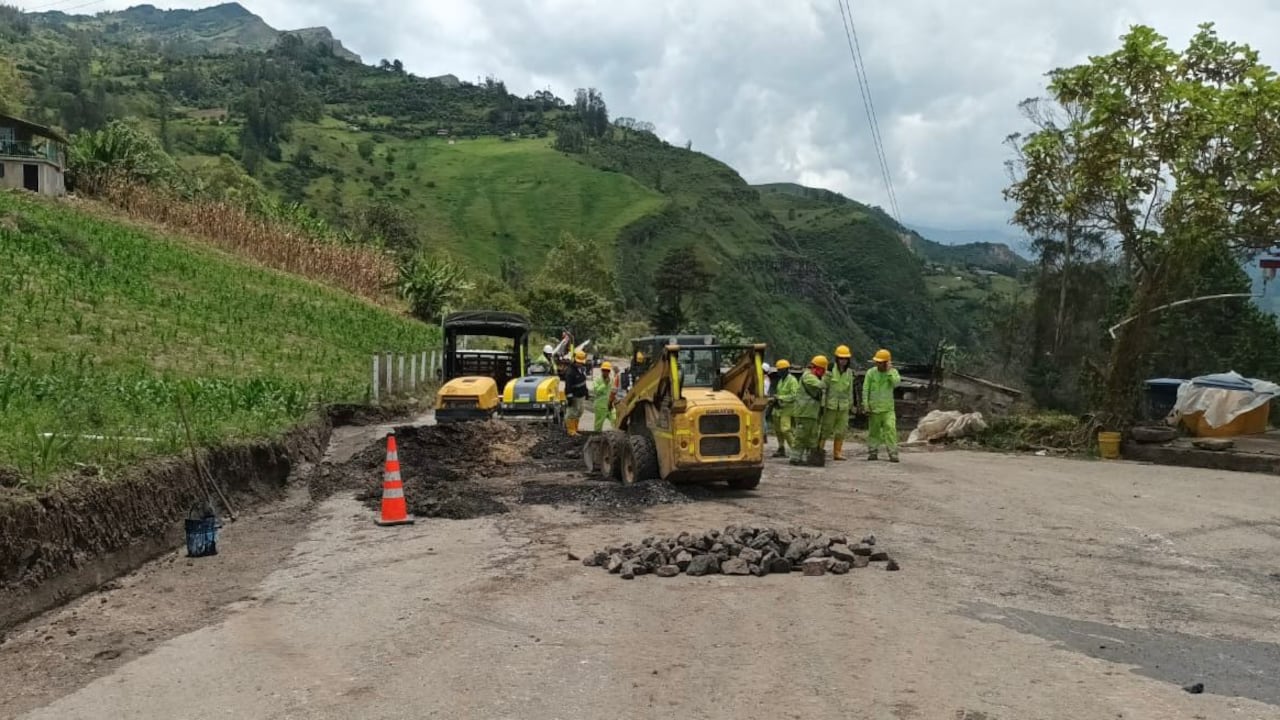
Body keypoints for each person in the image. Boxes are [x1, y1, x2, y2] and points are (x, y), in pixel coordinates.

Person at [863, 348, 901, 462]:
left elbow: (896, 384)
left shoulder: (893, 373)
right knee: (874, 432)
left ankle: (893, 453)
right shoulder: (871, 373)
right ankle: (873, 452)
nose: (878, 364)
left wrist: (889, 372)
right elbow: (866, 389)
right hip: (874, 409)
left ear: (886, 362)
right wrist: (865, 404)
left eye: (881, 362)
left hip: (888, 409)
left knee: (890, 430)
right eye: (877, 362)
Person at [820, 345, 856, 461]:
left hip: (844, 406)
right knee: (825, 429)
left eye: (845, 359)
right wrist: (822, 404)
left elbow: (850, 390)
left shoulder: (849, 373)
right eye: (841, 358)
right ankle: (819, 450)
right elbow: (823, 387)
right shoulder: (830, 369)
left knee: (841, 430)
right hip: (830, 406)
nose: (843, 361)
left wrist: (851, 404)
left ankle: (837, 453)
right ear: (837, 358)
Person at [790, 355, 828, 467]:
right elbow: (821, 385)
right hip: (804, 412)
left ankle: (810, 458)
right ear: (817, 368)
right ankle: (795, 458)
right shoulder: (808, 376)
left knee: (812, 437)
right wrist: (827, 379)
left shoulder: (813, 376)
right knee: (801, 436)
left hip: (811, 413)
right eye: (823, 370)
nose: (823, 373)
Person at [769, 360, 797, 458]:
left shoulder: (792, 380)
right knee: (778, 430)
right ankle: (781, 448)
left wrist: (780, 397)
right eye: (778, 370)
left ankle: (795, 450)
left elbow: (794, 395)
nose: (779, 372)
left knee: (785, 429)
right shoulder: (781, 380)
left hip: (787, 408)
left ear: (786, 370)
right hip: (779, 408)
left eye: (781, 370)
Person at [560, 349, 590, 436]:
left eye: (581, 362)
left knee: (579, 412)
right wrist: (569, 397)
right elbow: (568, 386)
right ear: (574, 360)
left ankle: (575, 428)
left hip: (581, 395)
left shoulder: (581, 370)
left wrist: (586, 392)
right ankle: (571, 430)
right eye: (578, 362)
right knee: (572, 413)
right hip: (574, 396)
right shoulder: (570, 372)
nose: (580, 364)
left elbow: (583, 382)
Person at [591, 361, 617, 432]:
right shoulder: (597, 379)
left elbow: (613, 390)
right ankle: (597, 438)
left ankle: (617, 435)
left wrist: (613, 400)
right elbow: (596, 391)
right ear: (601, 370)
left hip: (610, 405)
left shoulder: (611, 379)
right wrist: (604, 384)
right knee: (598, 424)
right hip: (600, 406)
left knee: (615, 420)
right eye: (604, 370)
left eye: (607, 370)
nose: (606, 372)